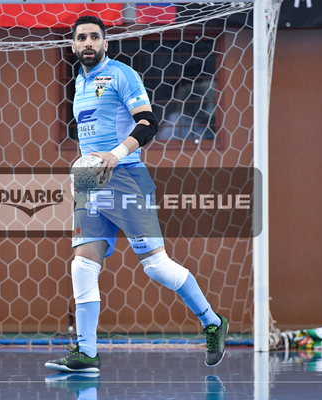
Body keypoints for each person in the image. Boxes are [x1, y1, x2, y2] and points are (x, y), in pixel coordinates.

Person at [45, 15, 228, 373]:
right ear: (73, 45)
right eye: (81, 38)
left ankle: (211, 321)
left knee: (156, 267)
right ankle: (86, 352)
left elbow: (148, 123)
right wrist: (80, 173)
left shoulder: (121, 75)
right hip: (91, 186)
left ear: (105, 43)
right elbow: (91, 140)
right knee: (83, 264)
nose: (87, 43)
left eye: (94, 37)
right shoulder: (80, 82)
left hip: (126, 178)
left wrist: (115, 155)